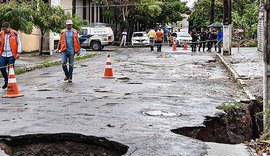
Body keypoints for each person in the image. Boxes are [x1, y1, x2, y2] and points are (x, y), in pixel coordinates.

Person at [0, 22, 21, 89]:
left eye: (5, 29)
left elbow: (19, 43)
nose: (4, 31)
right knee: (2, 68)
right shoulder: (1, 34)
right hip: (2, 55)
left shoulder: (15, 33)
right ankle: (6, 81)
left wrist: (18, 52)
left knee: (10, 70)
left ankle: (10, 84)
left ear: (9, 28)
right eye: (3, 29)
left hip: (11, 55)